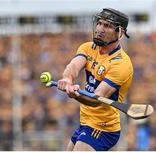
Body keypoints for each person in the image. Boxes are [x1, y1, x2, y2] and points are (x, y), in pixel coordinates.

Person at [57, 8, 133, 151]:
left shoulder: (121, 64)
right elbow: (73, 66)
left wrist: (76, 95)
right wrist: (67, 79)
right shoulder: (88, 48)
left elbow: (97, 99)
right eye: (100, 23)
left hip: (103, 127)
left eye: (107, 26)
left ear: (120, 32)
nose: (100, 29)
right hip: (85, 121)